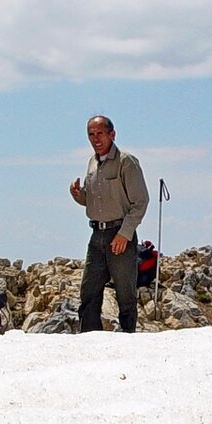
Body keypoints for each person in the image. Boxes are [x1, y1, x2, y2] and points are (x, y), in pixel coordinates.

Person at [69, 115, 149, 333]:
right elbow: (94, 200)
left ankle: (127, 338)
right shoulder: (92, 163)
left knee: (125, 294)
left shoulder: (126, 162)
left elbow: (141, 202)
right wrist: (78, 195)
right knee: (89, 292)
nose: (96, 139)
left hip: (119, 234)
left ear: (112, 134)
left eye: (100, 133)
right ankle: (90, 338)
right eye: (91, 134)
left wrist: (124, 234)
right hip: (97, 235)